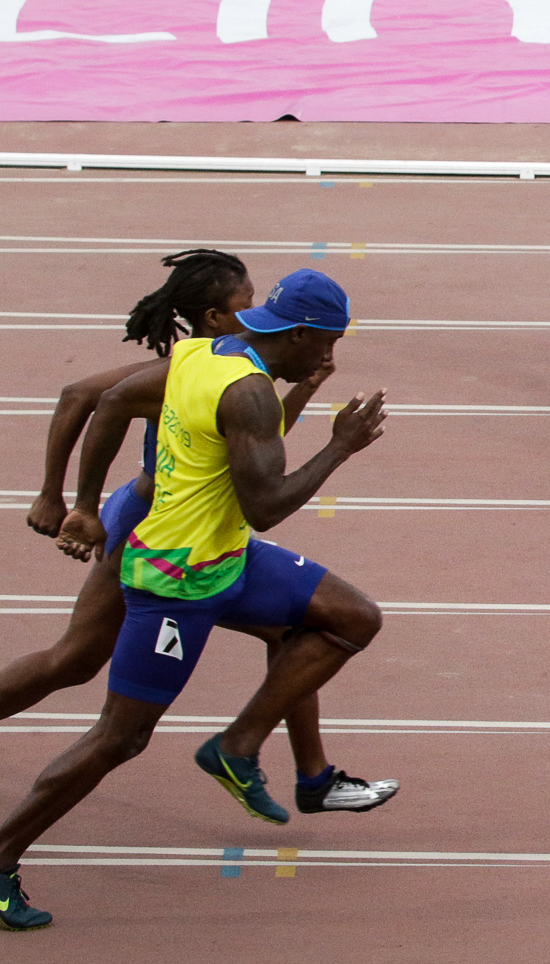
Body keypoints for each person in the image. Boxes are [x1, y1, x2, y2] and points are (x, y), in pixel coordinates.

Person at [0, 270, 388, 931]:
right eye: (326, 342)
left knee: (352, 616)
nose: (330, 354)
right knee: (119, 736)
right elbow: (267, 505)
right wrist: (339, 447)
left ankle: (239, 746)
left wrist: (90, 504)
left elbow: (117, 398)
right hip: (178, 578)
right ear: (296, 331)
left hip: (226, 556)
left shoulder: (208, 353)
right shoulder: (248, 391)